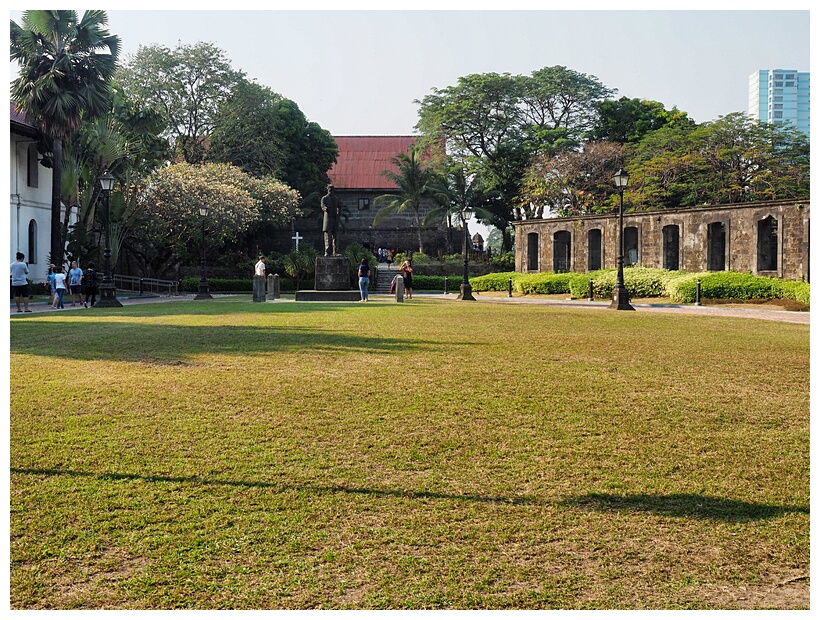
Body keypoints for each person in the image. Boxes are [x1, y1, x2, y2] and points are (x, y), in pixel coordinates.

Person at [321, 184, 341, 256]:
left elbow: (339, 206)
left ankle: (335, 251)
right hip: (328, 220)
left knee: (335, 236)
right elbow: (322, 206)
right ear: (328, 190)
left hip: (335, 219)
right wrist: (325, 209)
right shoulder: (324, 198)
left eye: (332, 190)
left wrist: (338, 210)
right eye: (330, 189)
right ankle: (327, 251)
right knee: (327, 237)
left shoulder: (336, 199)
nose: (331, 191)